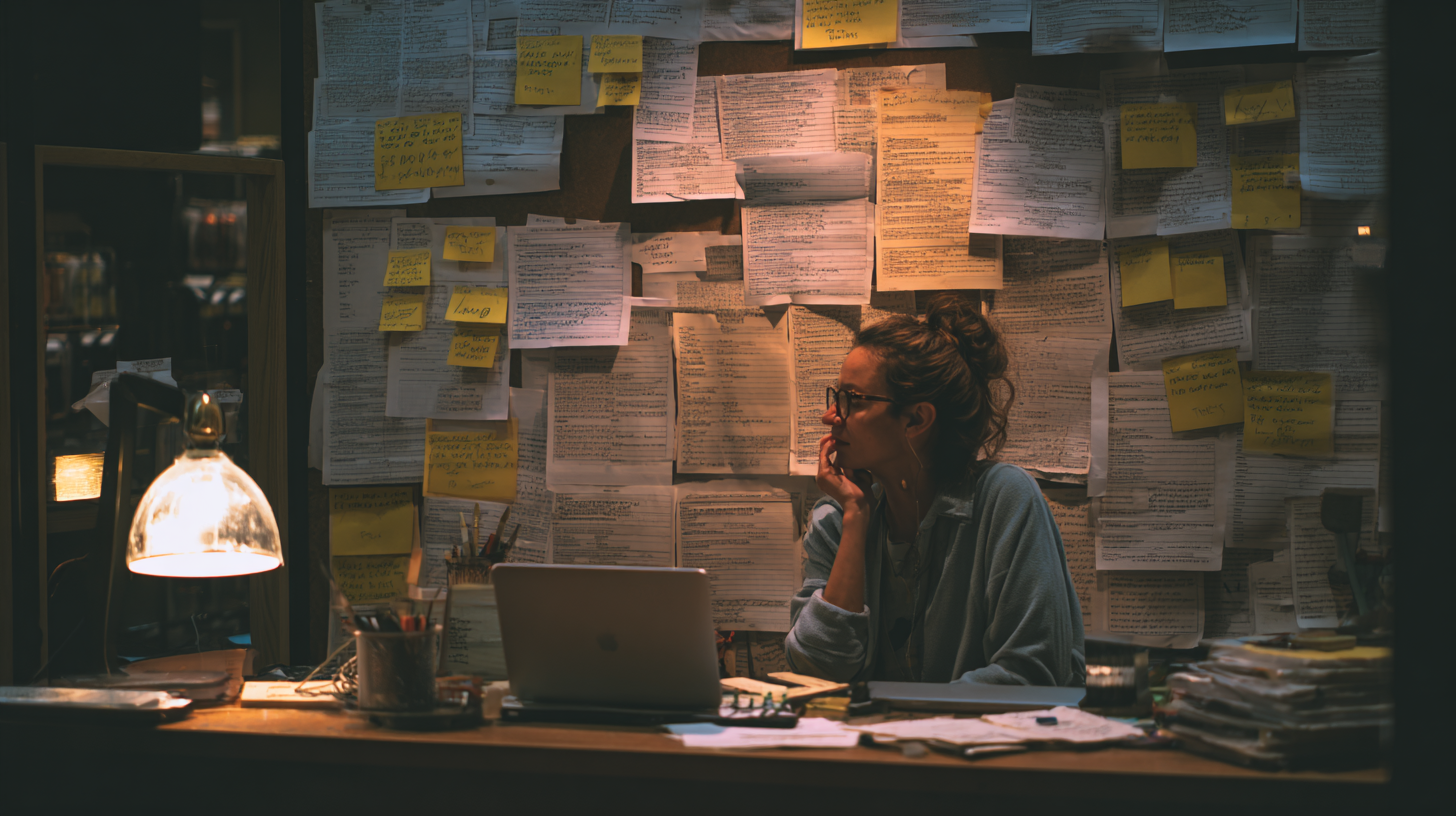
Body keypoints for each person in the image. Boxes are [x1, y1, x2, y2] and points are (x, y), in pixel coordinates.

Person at [784, 292, 1085, 686]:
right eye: (835, 396)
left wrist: (903, 724)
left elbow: (1033, 671)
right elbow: (815, 671)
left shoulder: (1005, 500)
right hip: (868, 746)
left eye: (851, 400)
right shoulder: (837, 519)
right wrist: (857, 520)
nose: (830, 416)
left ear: (917, 419)